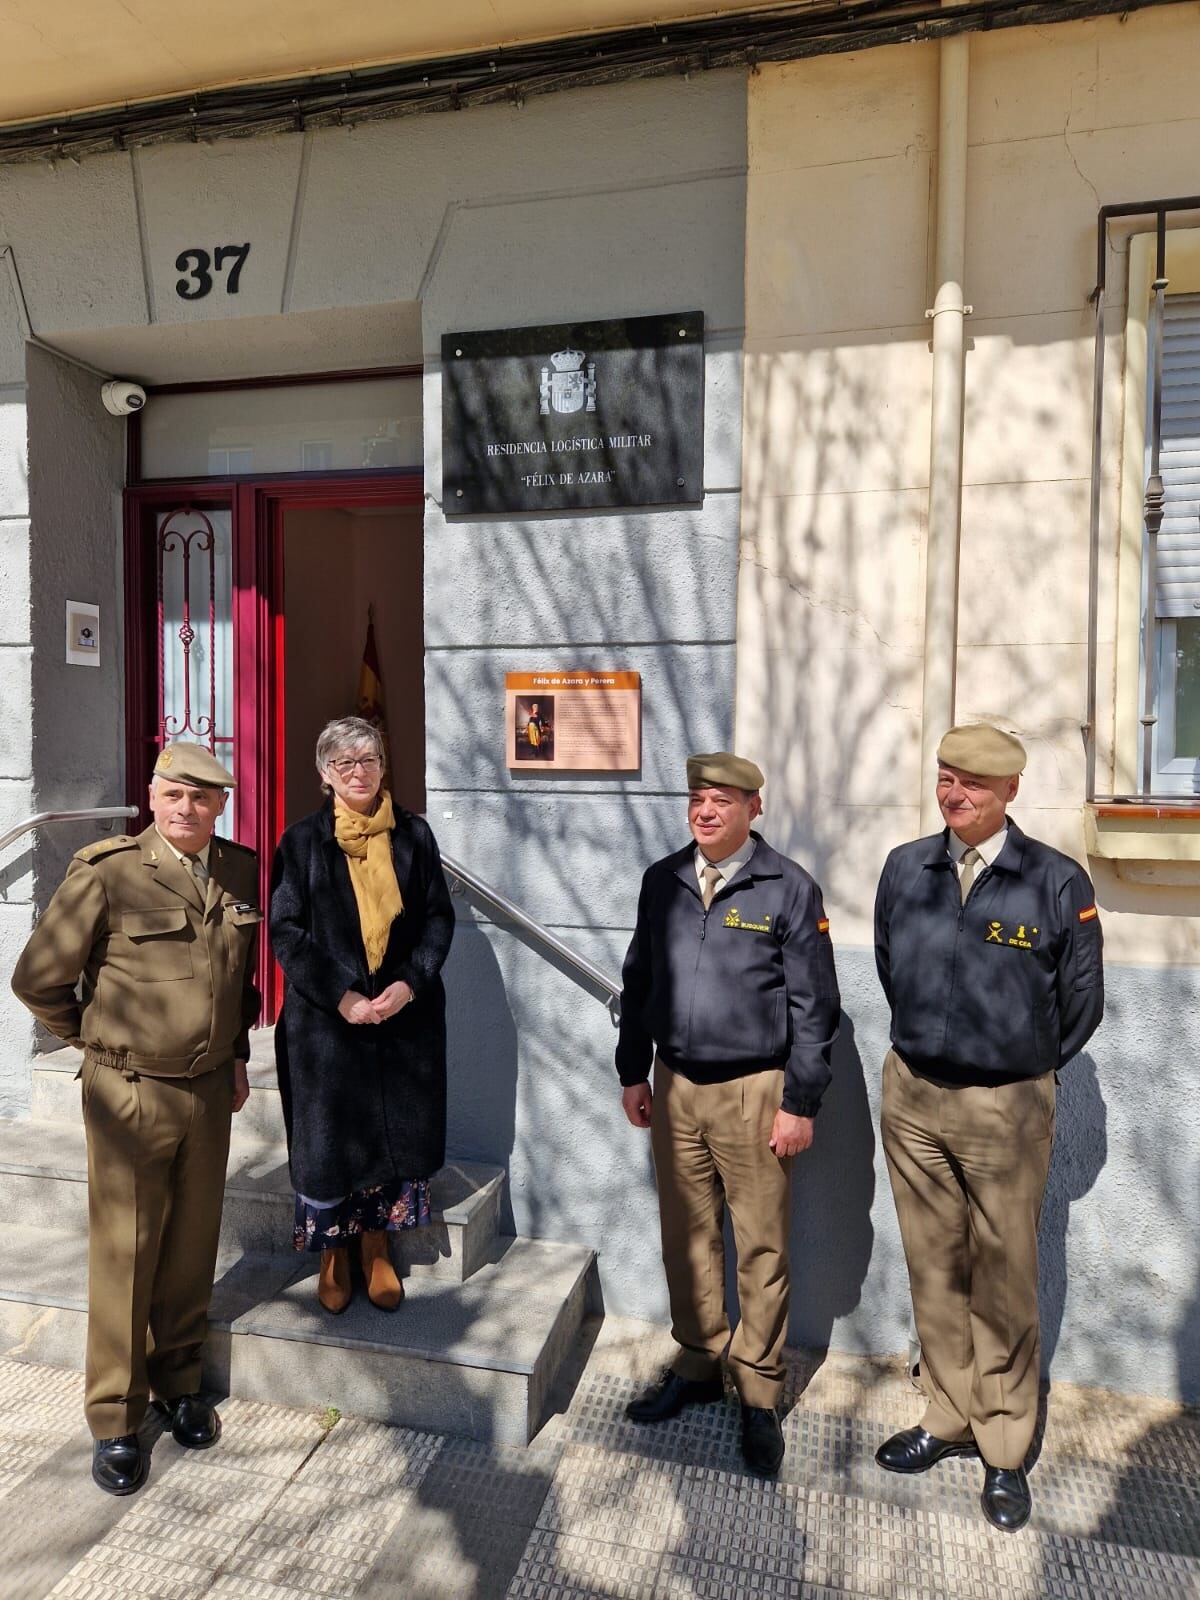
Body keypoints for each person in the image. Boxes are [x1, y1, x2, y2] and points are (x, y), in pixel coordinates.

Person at [11, 743, 260, 1496]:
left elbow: (237, 981)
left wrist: (237, 1055)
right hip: (129, 1091)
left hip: (209, 1092)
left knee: (191, 1242)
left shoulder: (239, 868)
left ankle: (179, 1381)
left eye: (203, 797)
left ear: (221, 805)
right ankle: (117, 1416)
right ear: (152, 796)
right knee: (126, 1252)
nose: (188, 808)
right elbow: (38, 977)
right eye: (174, 793)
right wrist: (94, 1043)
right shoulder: (107, 870)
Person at [873, 724, 1104, 1532]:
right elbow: (890, 965)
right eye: (945, 777)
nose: (954, 793)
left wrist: (1017, 1064)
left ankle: (1004, 1446)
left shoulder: (1055, 881)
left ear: (1010, 791)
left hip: (1005, 1107)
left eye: (972, 782)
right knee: (934, 1265)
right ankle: (948, 1414)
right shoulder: (906, 868)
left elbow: (1082, 1004)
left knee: (1003, 1275)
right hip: (912, 1097)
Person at [616, 752, 840, 1477]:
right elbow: (638, 980)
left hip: (755, 1092)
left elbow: (815, 1007)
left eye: (722, 800)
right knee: (686, 1237)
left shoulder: (788, 888)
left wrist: (800, 1102)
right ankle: (698, 1361)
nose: (706, 811)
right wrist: (633, 1069)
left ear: (753, 808)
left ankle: (759, 1391)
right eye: (698, 799)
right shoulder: (663, 881)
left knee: (761, 1246)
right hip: (676, 1084)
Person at [269, 716, 454, 1316]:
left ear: (382, 766)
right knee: (330, 1142)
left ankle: (376, 1245)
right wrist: (342, 995)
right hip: (326, 1024)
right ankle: (332, 1252)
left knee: (389, 1135)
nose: (358, 772)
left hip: (402, 1019)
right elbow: (286, 930)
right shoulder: (301, 842)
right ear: (324, 774)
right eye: (344, 763)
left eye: (368, 760)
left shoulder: (413, 835)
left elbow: (438, 918)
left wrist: (410, 982)